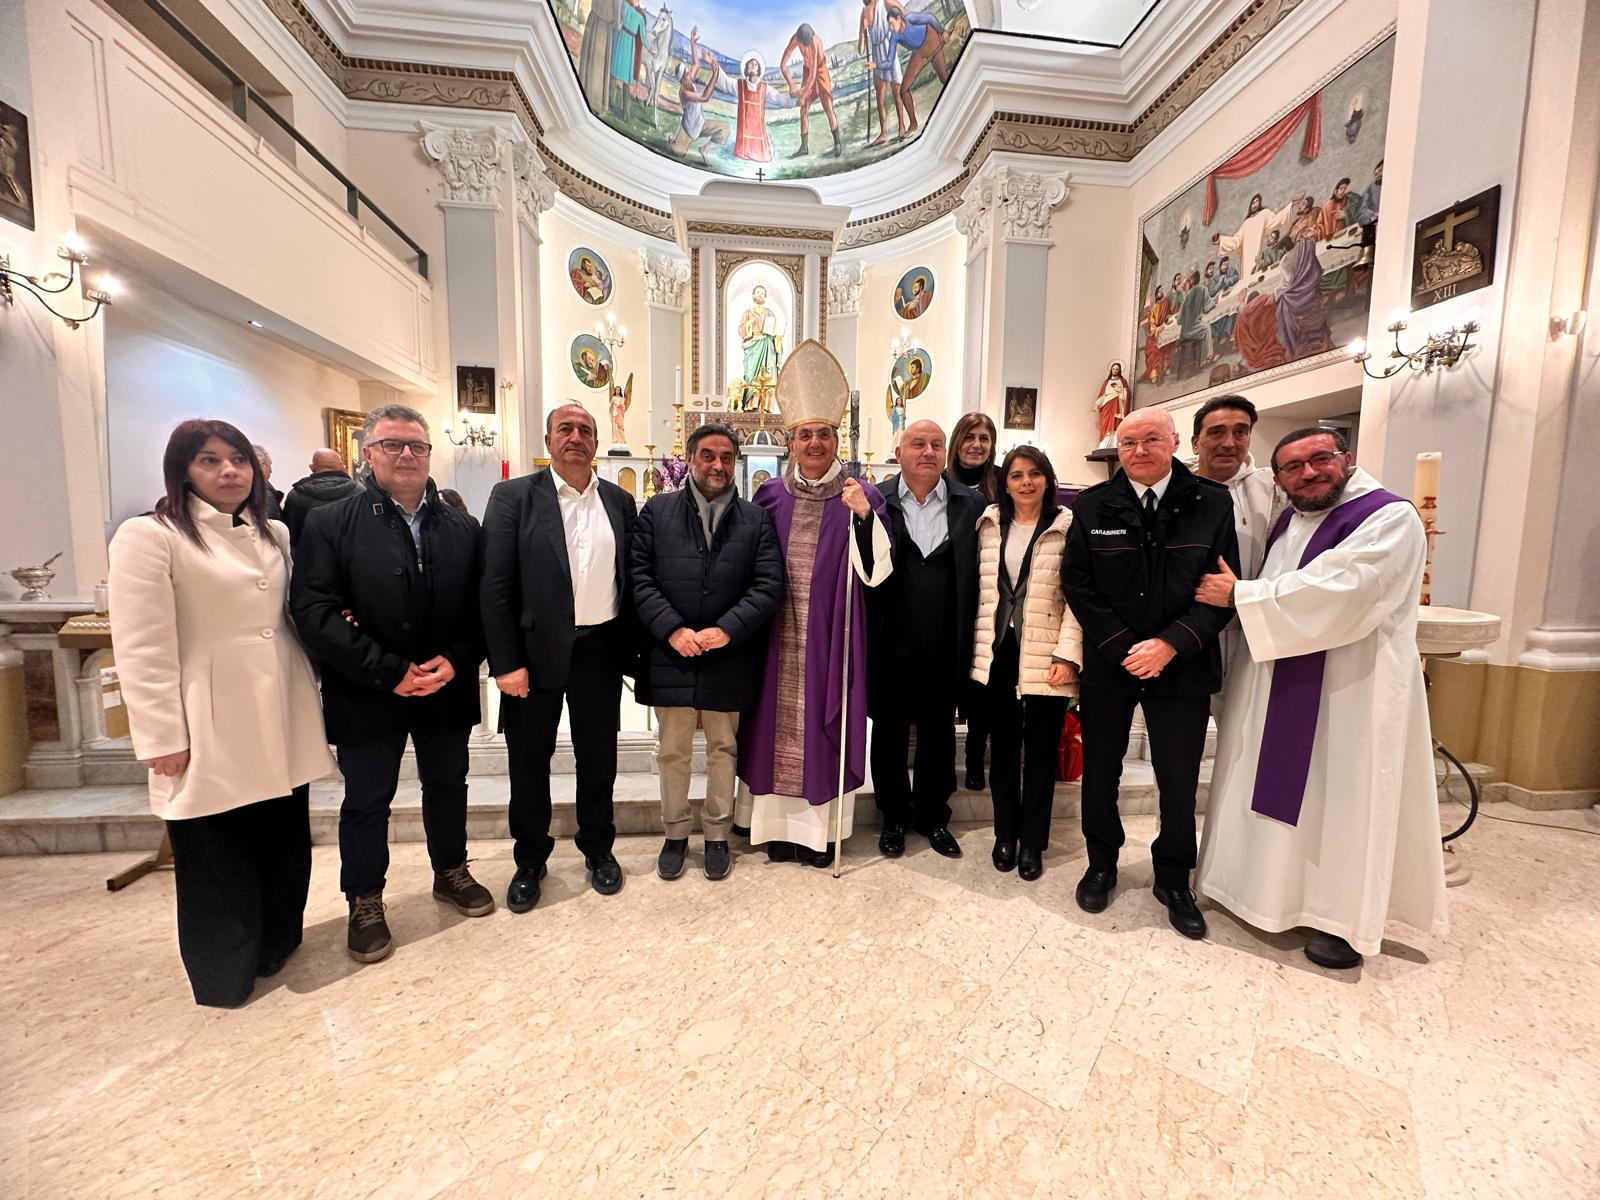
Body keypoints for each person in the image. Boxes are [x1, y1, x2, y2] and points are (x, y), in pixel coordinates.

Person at [1193, 428, 1448, 969]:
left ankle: (1341, 922)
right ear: (1280, 480)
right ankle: (1259, 894)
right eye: (1293, 467)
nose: (1309, 473)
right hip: (1276, 679)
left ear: (1346, 459)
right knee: (1267, 782)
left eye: (1320, 459)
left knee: (1341, 798)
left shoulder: (1388, 517)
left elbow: (1347, 590)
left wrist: (1240, 593)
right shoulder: (1291, 520)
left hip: (1349, 693)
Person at [107, 420, 332, 1007]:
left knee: (282, 837)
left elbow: (292, 616)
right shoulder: (150, 537)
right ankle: (223, 972)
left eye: (238, 460)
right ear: (183, 470)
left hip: (279, 703)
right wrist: (160, 734)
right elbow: (142, 645)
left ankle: (276, 941)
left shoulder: (274, 532)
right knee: (214, 847)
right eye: (210, 461)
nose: (229, 471)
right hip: (208, 710)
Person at [290, 404, 490, 964]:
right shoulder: (331, 523)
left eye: (417, 446)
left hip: (444, 684)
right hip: (368, 687)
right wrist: (389, 671)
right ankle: (365, 899)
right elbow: (313, 609)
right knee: (368, 798)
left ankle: (450, 870)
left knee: (448, 784)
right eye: (392, 444)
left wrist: (457, 659)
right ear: (367, 454)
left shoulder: (462, 527)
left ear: (431, 455)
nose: (406, 454)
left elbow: (482, 608)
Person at [1063, 408, 1239, 939]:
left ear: (1174, 442)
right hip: (1111, 669)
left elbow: (1222, 589)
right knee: (1100, 775)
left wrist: (1169, 644)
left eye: (1151, 440)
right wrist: (1124, 649)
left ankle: (1173, 877)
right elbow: (1079, 585)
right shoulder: (1093, 505)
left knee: (1179, 780)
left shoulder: (1211, 502)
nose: (1139, 451)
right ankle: (1101, 863)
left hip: (1181, 667)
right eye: (1129, 441)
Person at [735, 340, 893, 867]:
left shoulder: (860, 494)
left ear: (835, 439)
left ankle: (820, 835)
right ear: (790, 441)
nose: (815, 442)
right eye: (805, 434)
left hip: (832, 634)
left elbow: (878, 572)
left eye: (824, 433)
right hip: (776, 635)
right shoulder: (769, 497)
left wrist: (865, 516)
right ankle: (775, 830)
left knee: (823, 729)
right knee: (770, 726)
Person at [481, 403, 637, 908]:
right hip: (532, 655)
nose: (576, 437)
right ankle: (530, 858)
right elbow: (495, 584)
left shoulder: (618, 500)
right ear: (548, 440)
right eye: (565, 429)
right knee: (529, 762)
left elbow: (628, 581)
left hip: (600, 651)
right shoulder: (513, 498)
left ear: (596, 442)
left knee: (600, 759)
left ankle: (598, 848)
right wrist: (505, 662)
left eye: (585, 430)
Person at [632, 422, 785, 882]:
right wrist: (672, 630)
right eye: (707, 456)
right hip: (671, 654)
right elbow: (638, 577)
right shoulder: (656, 512)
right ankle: (675, 834)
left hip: (728, 655)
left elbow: (769, 584)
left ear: (735, 462)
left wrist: (727, 630)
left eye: (725, 457)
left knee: (724, 748)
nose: (717, 466)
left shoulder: (756, 520)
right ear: (693, 459)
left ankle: (717, 834)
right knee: (673, 750)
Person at [868, 420, 981, 860]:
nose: (929, 451)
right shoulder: (876, 501)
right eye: (918, 443)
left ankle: (934, 817)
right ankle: (893, 816)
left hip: (944, 638)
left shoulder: (970, 504)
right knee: (890, 733)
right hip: (889, 638)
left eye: (937, 444)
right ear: (900, 452)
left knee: (938, 732)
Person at [971, 445, 1082, 880]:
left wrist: (1069, 655)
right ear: (1005, 481)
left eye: (1035, 474)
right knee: (1001, 752)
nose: (1026, 483)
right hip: (997, 651)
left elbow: (1078, 599)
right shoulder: (989, 525)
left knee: (1039, 753)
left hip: (1046, 653)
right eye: (1017, 475)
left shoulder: (1066, 526)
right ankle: (1005, 835)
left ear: (1048, 479)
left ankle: (1033, 843)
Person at [1189, 396, 1281, 580]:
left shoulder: (1274, 487)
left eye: (1240, 432)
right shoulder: (1173, 489)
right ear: (1195, 443)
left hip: (1245, 603)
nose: (1229, 443)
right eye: (1217, 433)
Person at [882, 3, 949, 134]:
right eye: (888, 25)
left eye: (891, 23)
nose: (890, 28)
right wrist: (876, 65)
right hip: (918, 52)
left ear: (899, 19)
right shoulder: (894, 36)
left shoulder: (910, 18)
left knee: (943, 76)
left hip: (931, 39)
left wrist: (942, 32)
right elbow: (889, 61)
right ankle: (913, 123)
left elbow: (929, 18)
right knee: (903, 90)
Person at [780, 23, 842, 159]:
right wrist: (791, 85)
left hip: (819, 72)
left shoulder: (815, 42)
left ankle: (837, 143)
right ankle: (804, 147)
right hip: (807, 72)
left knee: (828, 107)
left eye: (806, 45)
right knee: (803, 109)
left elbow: (814, 76)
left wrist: (802, 95)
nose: (805, 48)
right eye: (803, 45)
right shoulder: (795, 39)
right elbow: (783, 65)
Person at [671, 32, 729, 164]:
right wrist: (714, 75)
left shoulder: (688, 81)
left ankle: (704, 149)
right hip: (688, 128)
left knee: (724, 129)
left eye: (687, 72)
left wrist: (693, 44)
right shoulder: (684, 92)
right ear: (682, 79)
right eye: (686, 74)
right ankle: (673, 140)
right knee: (678, 152)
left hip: (700, 124)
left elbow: (696, 64)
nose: (689, 74)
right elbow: (704, 97)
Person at [282, 448, 361, 545]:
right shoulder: (359, 491)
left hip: (310, 555)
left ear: (312, 467)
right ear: (341, 466)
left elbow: (290, 536)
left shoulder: (296, 495)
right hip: (350, 556)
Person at [858, 0, 906, 147]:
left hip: (888, 49)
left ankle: (902, 127)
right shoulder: (864, 13)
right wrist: (863, 31)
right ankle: (884, 133)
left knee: (897, 94)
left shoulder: (885, 2)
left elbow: (904, 14)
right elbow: (860, 50)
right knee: (880, 100)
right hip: (876, 54)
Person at [736, 285, 781, 409]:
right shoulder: (747, 313)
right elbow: (741, 330)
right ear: (753, 295)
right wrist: (749, 323)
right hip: (753, 345)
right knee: (751, 375)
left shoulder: (770, 313)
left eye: (762, 293)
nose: (760, 295)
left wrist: (777, 336)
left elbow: (775, 330)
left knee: (767, 375)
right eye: (757, 292)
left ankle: (765, 405)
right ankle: (751, 403)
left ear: (765, 297)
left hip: (767, 345)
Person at [732, 55, 773, 164]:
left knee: (763, 156)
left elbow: (778, 98)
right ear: (746, 68)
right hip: (744, 135)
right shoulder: (739, 85)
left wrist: (795, 96)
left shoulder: (765, 88)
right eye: (750, 64)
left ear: (759, 69)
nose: (753, 66)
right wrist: (714, 65)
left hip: (758, 132)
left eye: (755, 65)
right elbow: (725, 82)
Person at [1095, 362, 1131, 449]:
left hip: (1117, 404)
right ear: (1111, 370)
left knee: (1115, 422)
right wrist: (1097, 404)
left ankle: (1114, 443)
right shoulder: (1106, 382)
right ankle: (1104, 443)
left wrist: (1121, 391)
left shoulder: (1122, 381)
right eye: (1113, 369)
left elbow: (1128, 394)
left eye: (1117, 369)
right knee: (1105, 423)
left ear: (1119, 371)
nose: (1115, 371)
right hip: (1107, 404)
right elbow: (1103, 395)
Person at [252, 443, 284, 521]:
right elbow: (269, 529)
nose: (271, 470)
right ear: (262, 464)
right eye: (269, 464)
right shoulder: (264, 495)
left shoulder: (243, 491)